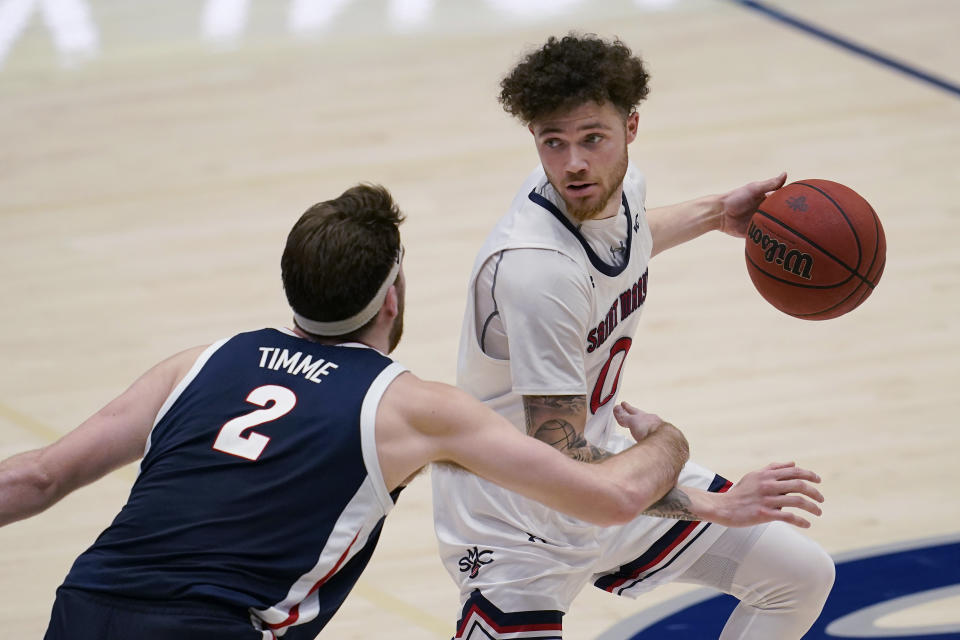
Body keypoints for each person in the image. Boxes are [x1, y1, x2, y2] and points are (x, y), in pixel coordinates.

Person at [2, 184, 740, 639]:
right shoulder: (412, 408)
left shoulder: (198, 362)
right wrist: (670, 439)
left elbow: (37, 478)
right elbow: (611, 498)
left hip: (85, 605)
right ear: (392, 297)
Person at [431, 34, 836, 639]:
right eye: (553, 143)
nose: (573, 164)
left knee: (799, 576)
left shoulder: (619, 195)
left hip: (605, 471)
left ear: (632, 127)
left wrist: (719, 211)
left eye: (592, 138)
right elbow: (559, 458)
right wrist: (710, 504)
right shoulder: (535, 269)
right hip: (518, 520)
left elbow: (627, 238)